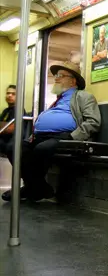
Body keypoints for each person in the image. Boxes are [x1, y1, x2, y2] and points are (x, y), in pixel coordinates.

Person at [1, 61, 101, 202]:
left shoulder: (83, 97)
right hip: (40, 137)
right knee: (13, 148)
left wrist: (72, 136)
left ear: (73, 81)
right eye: (56, 75)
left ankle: (30, 188)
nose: (56, 78)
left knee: (42, 149)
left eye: (61, 75)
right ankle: (38, 187)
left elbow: (93, 122)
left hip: (64, 136)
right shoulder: (57, 101)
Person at [0, 85, 19, 154]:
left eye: (13, 94)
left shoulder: (18, 110)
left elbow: (11, 129)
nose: (10, 95)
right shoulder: (5, 111)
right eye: (8, 93)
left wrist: (3, 126)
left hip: (10, 143)